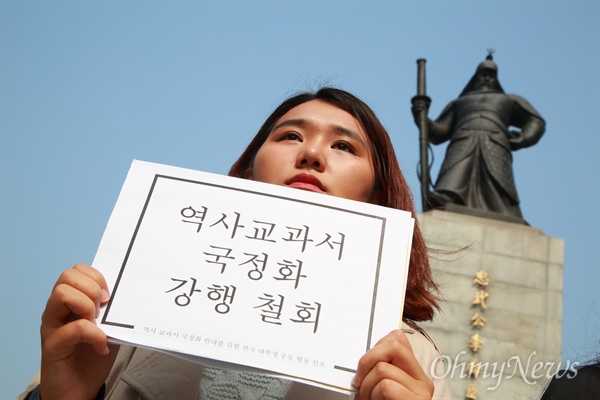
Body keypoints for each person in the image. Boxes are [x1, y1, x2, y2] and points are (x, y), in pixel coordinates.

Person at [19, 87, 451, 400]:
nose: (312, 154)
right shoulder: (126, 316)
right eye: (290, 136)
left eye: (343, 145)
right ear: (248, 173)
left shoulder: (404, 359)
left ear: (376, 195)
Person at [412, 53, 545, 222]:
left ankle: (503, 210)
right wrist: (421, 117)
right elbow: (439, 132)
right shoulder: (460, 103)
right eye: (484, 75)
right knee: (455, 174)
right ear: (476, 77)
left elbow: (535, 121)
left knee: (497, 183)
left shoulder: (508, 100)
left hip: (495, 142)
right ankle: (446, 198)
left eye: (491, 76)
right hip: (463, 140)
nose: (487, 79)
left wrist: (522, 138)